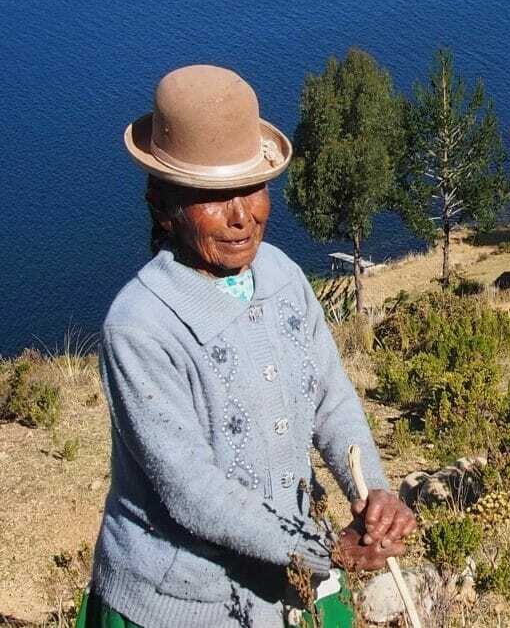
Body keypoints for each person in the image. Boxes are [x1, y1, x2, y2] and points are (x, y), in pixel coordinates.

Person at [83, 65, 416, 627]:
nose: (241, 217)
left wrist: (374, 494)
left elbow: (330, 399)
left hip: (293, 575)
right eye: (213, 197)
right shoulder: (140, 326)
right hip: (181, 604)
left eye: (251, 188)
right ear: (164, 204)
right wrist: (324, 549)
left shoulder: (283, 276)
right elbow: (192, 490)